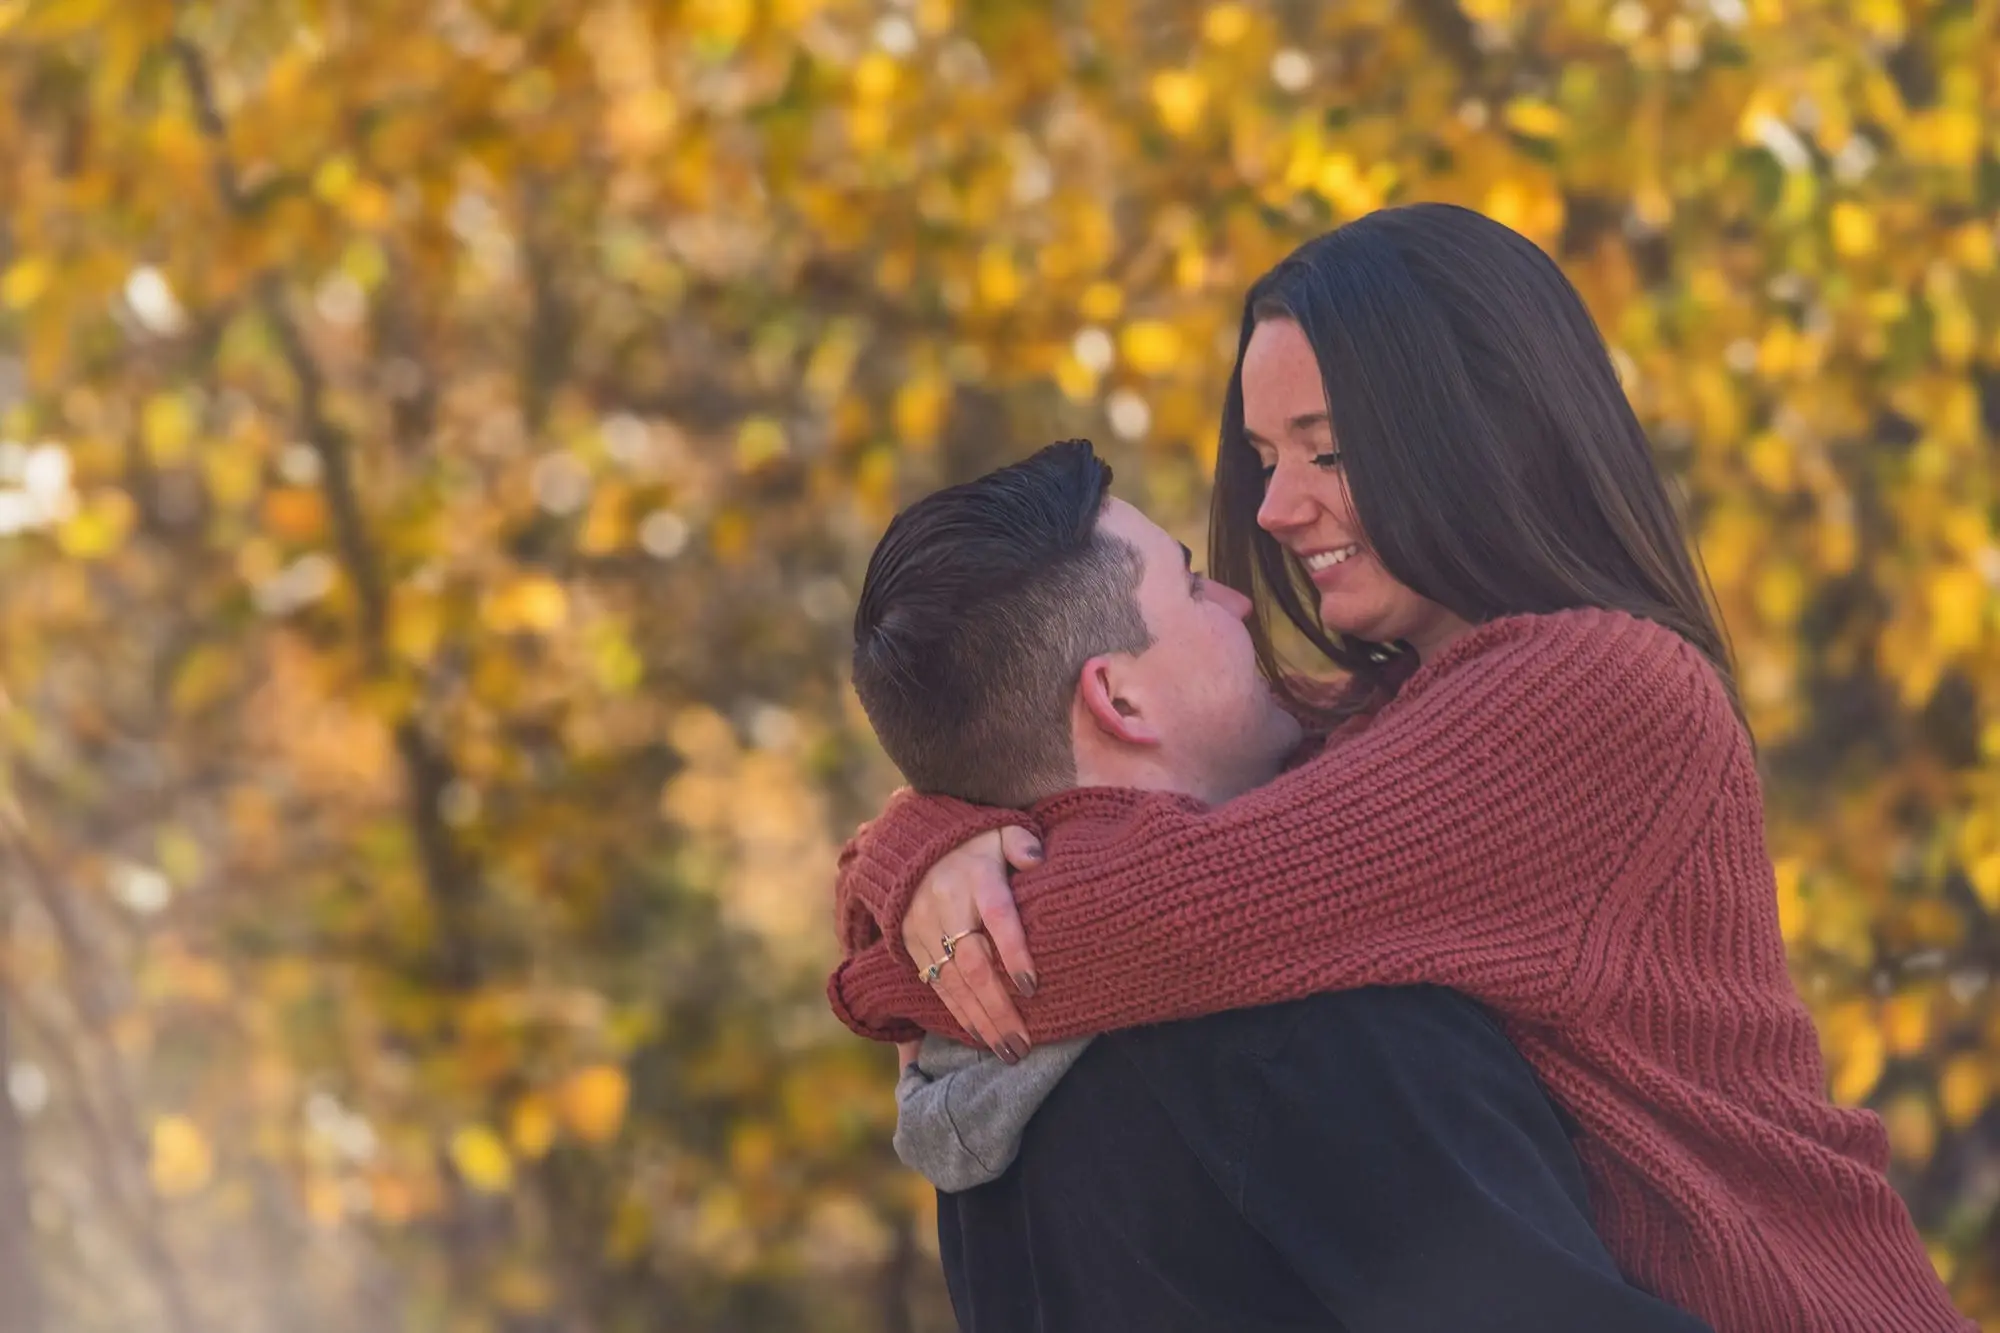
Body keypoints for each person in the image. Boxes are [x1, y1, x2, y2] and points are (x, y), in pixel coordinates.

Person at [830, 205, 1972, 1332]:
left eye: (1326, 451)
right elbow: (1140, 814)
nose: (1273, 509)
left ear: (1481, 432)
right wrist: (921, 844)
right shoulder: (1375, 730)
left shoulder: (1599, 691)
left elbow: (1160, 913)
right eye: (1264, 455)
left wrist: (920, 897)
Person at [849, 440, 1709, 1330]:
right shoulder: (1305, 1023)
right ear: (1121, 701)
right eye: (1188, 587)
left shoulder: (969, 1066)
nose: (1236, 599)